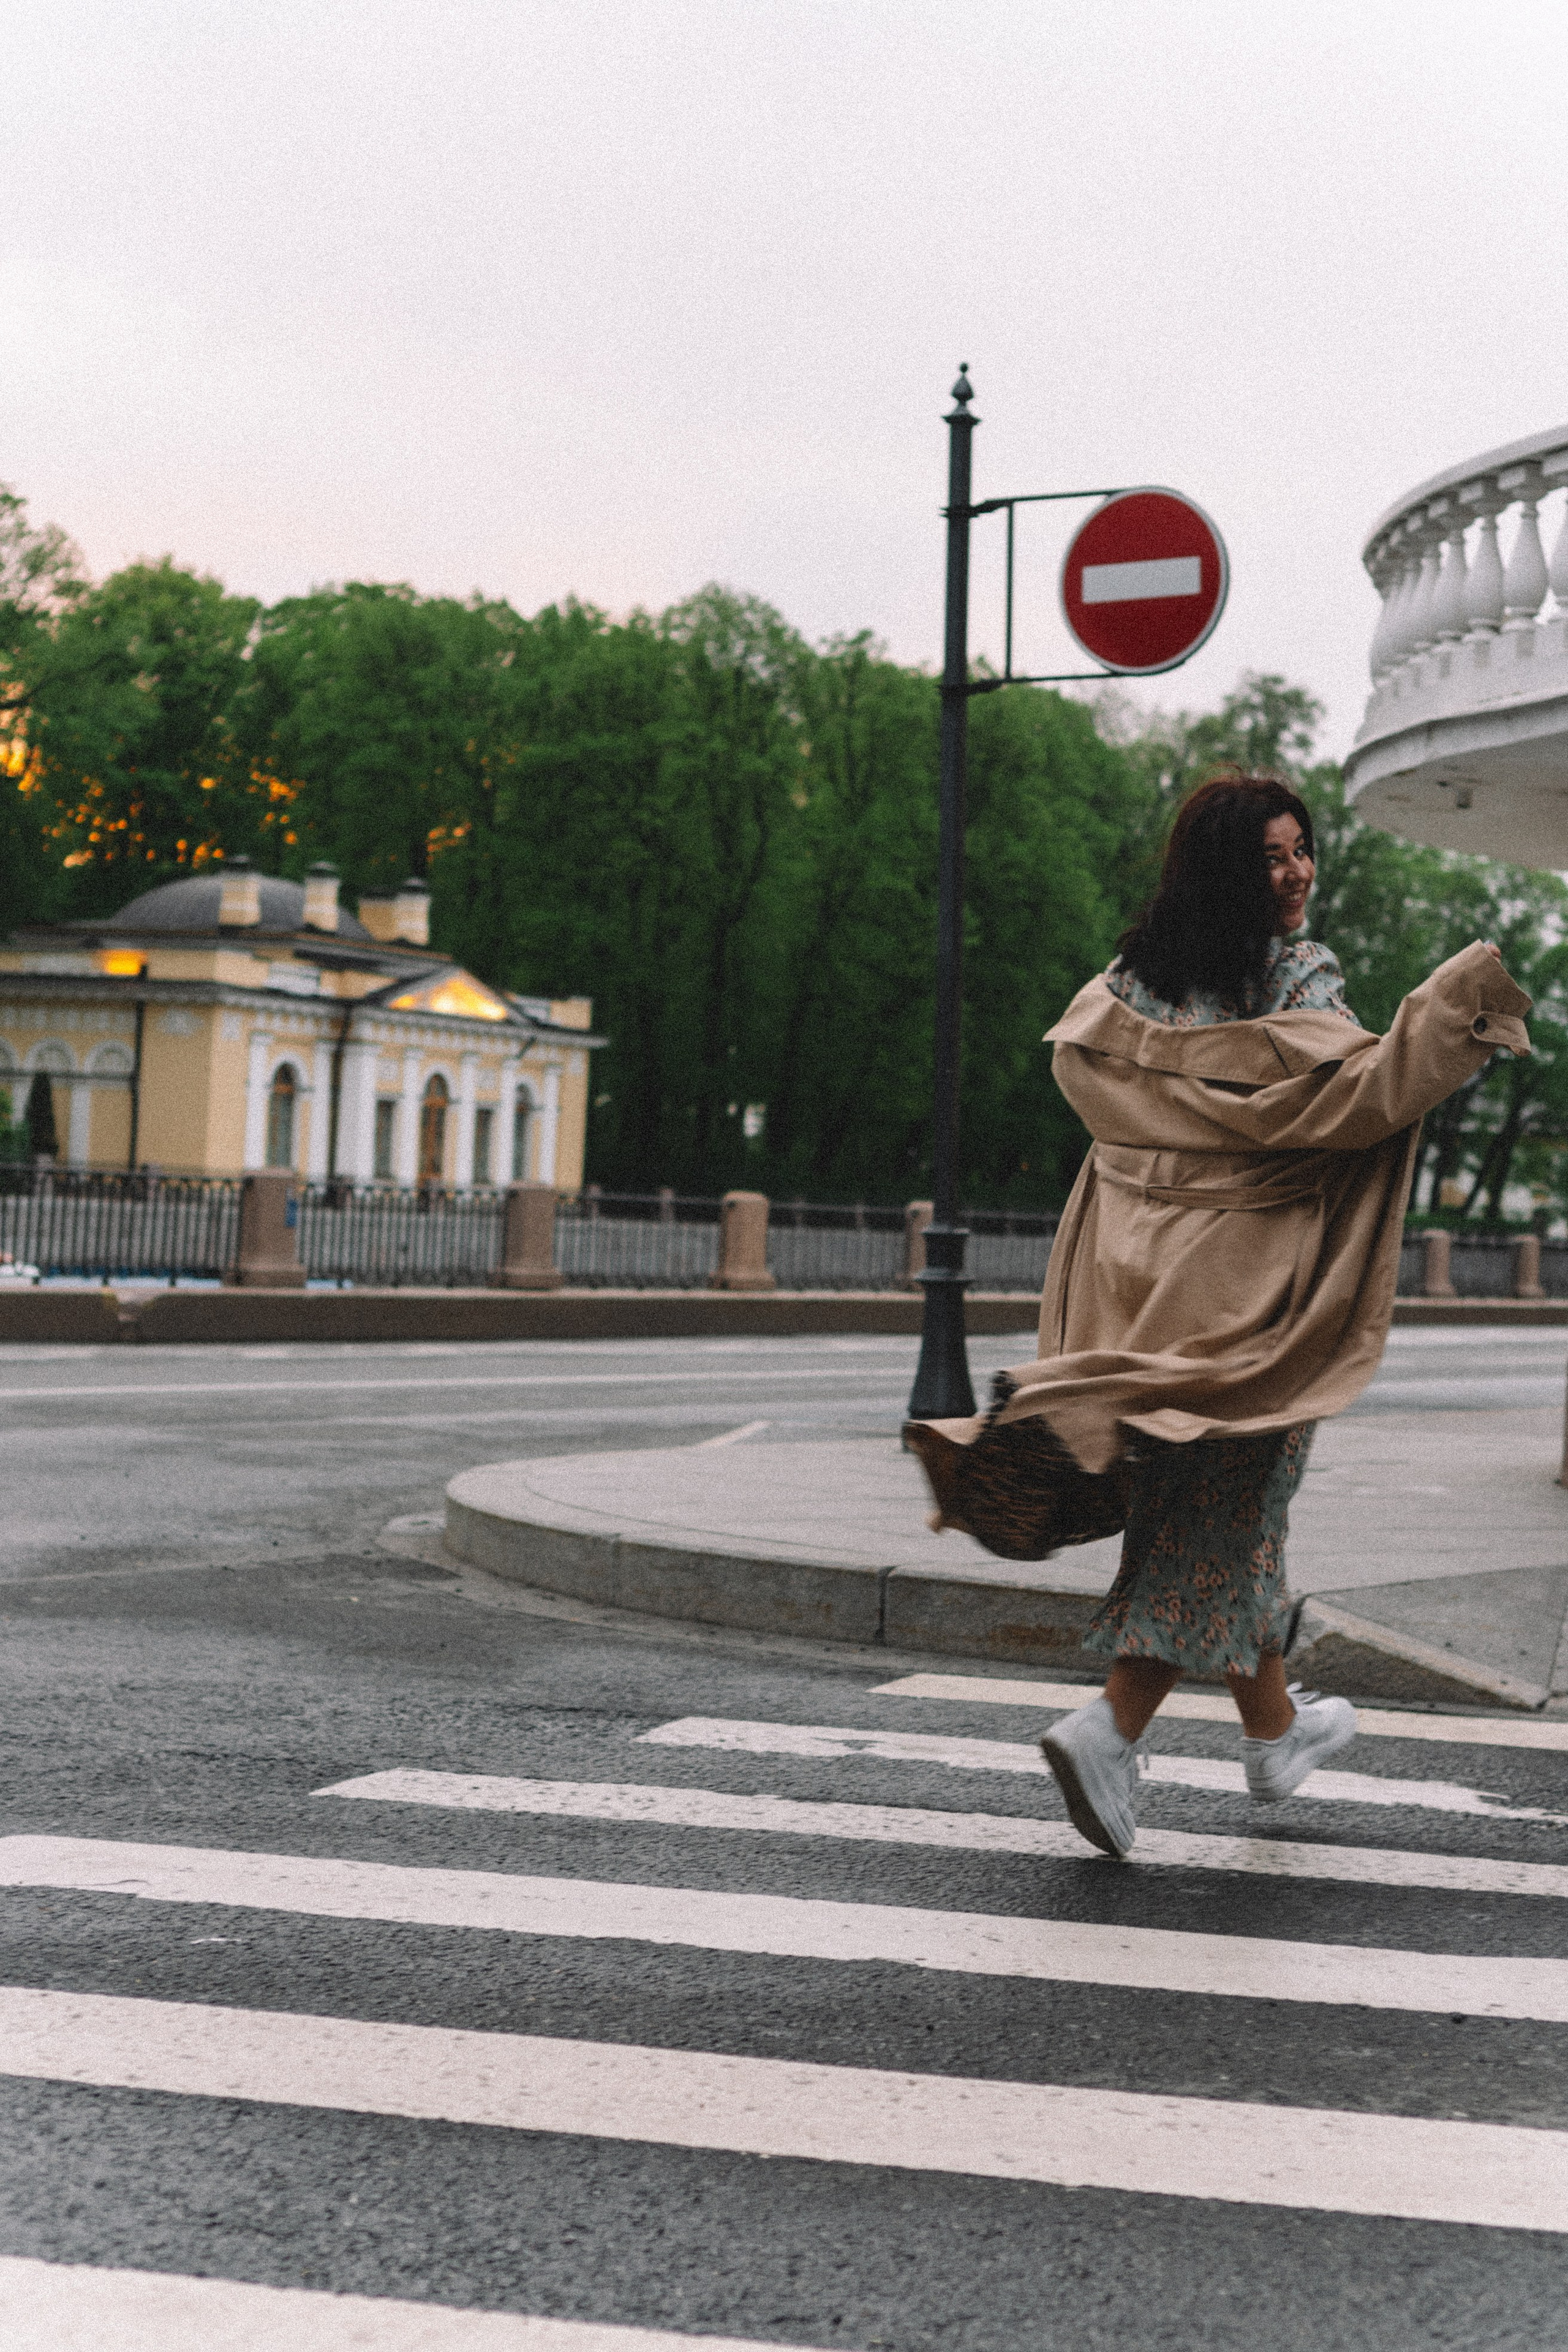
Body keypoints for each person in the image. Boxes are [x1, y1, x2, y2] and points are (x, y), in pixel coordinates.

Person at [913, 769, 1531, 1859]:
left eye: (1301, 851)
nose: (1294, 875)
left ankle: (1276, 1735)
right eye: (1271, 857)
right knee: (1225, 1503)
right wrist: (1453, 1021)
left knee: (1223, 1495)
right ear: (1227, 872)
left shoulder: (1127, 984)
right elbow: (1352, 1103)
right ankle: (1109, 1726)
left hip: (1134, 1280)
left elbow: (1100, 1097)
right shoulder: (1295, 974)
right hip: (1245, 1295)